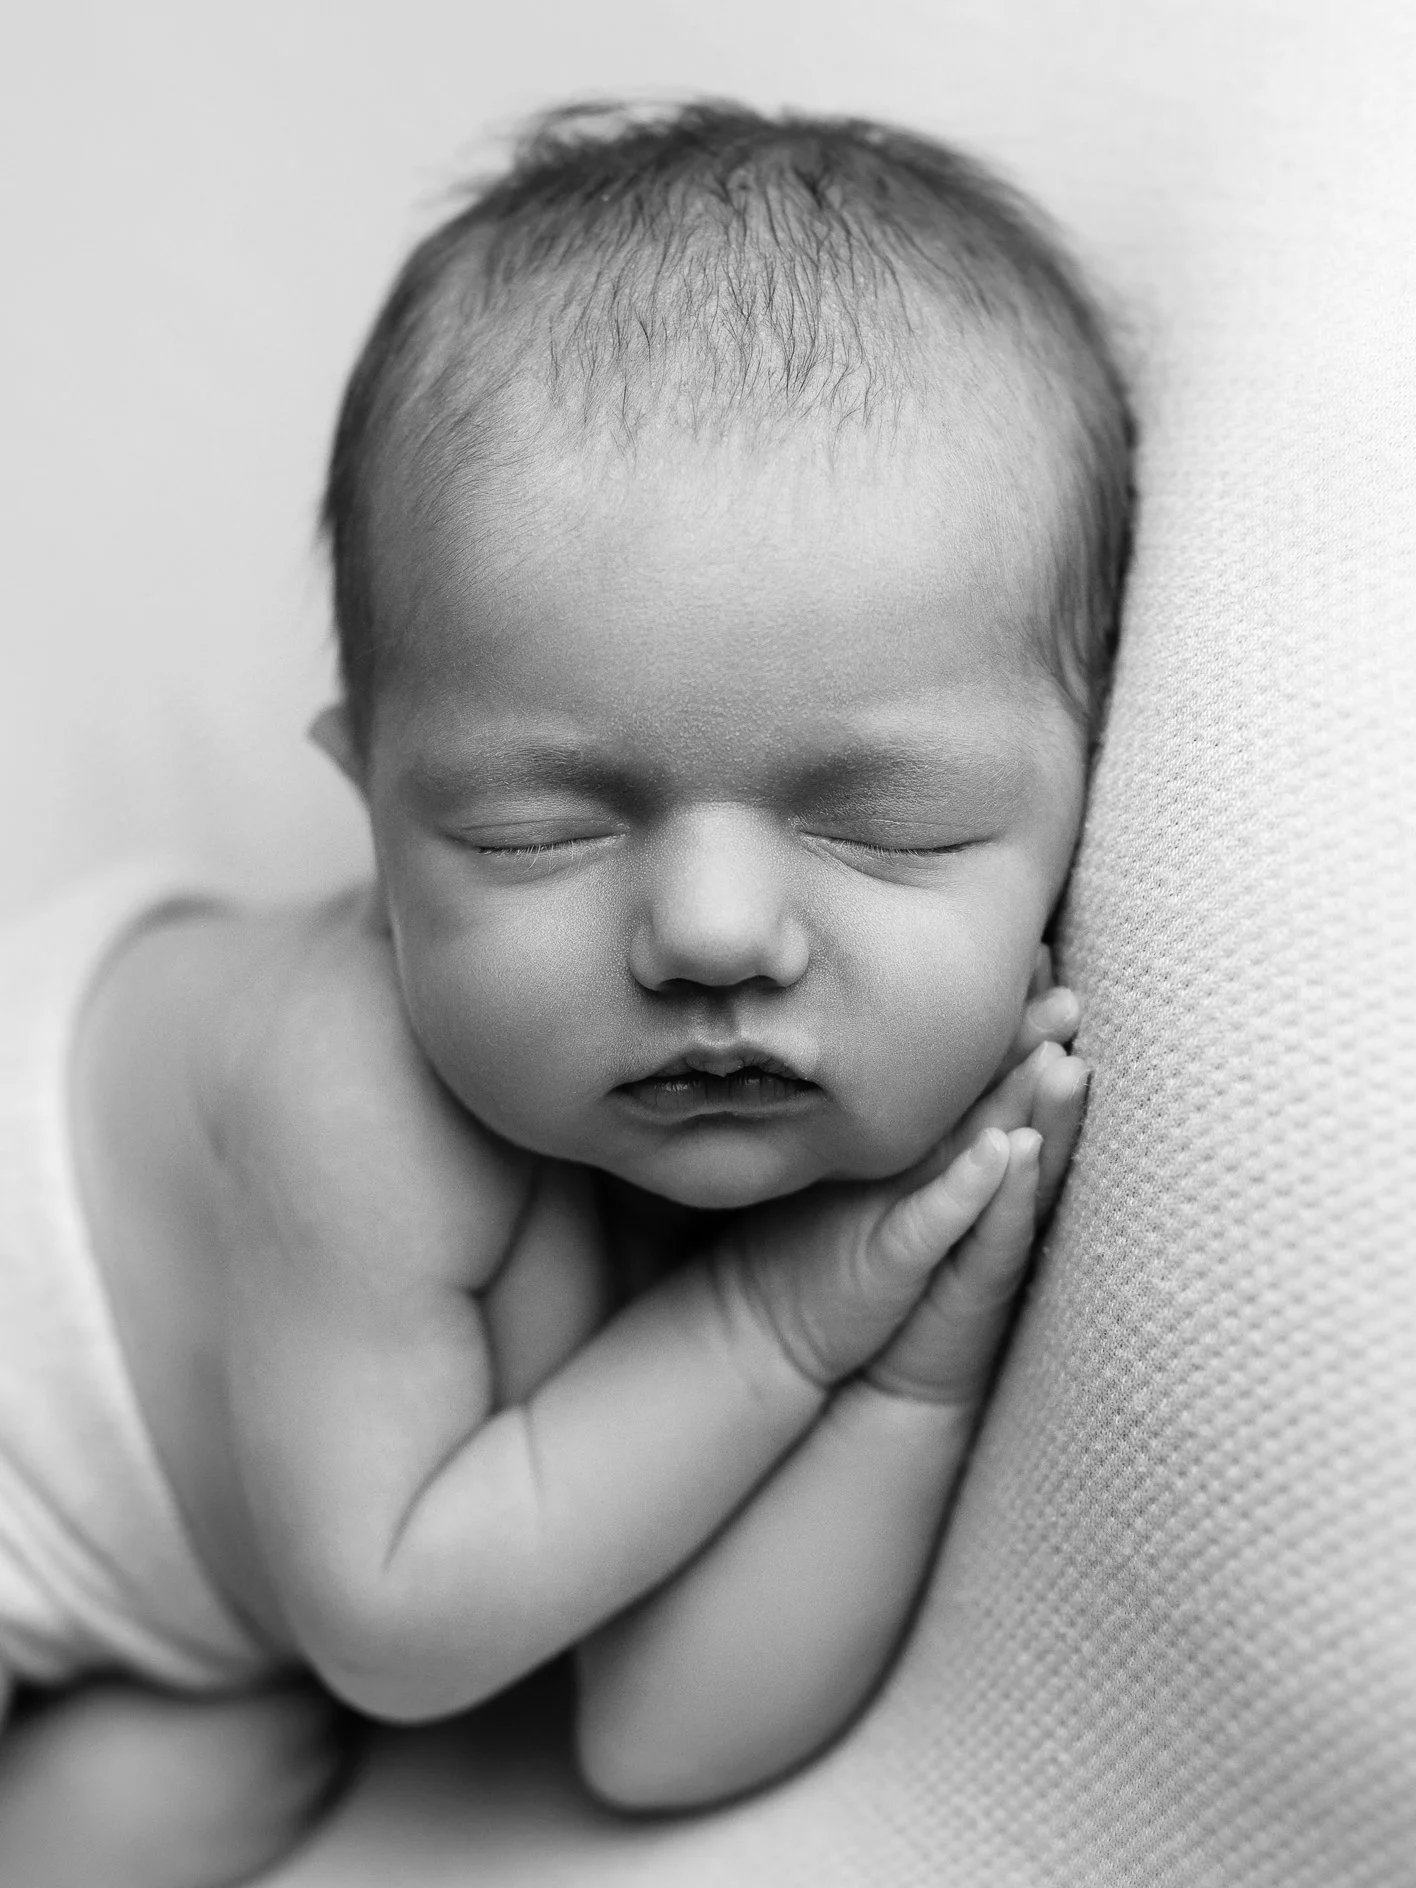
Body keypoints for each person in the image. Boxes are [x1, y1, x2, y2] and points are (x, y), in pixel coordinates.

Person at [0, 103, 1132, 1886]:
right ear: (373, 818)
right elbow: (400, 1618)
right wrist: (782, 1329)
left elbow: (662, 1733)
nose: (708, 931)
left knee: (200, 1787)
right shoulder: (353, 1092)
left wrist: (915, 1361)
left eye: (888, 825)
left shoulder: (702, 1102)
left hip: (191, 1581)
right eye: (534, 836)